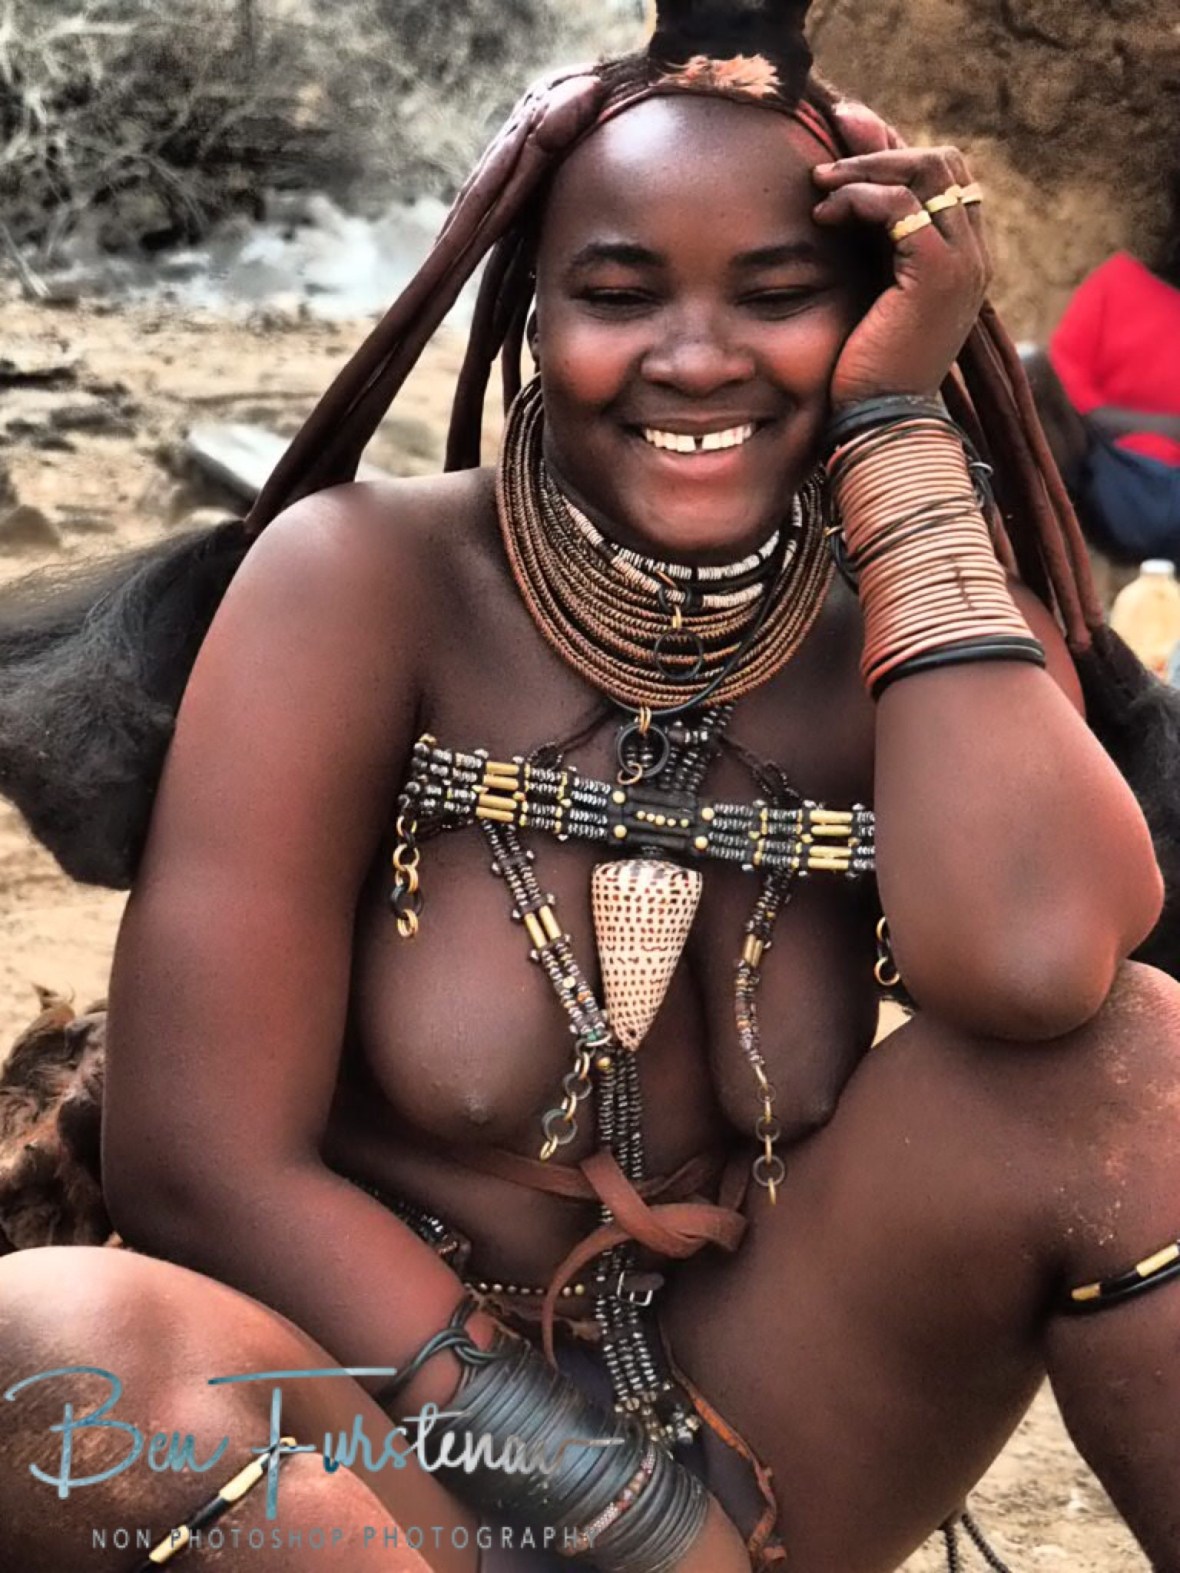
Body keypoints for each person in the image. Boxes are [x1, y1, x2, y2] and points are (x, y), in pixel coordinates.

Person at [3, 3, 1180, 1570]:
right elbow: (202, 1160)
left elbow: (1036, 969)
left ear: (866, 317)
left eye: (780, 297)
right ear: (535, 311)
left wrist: (900, 443)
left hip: (767, 1428)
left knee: (1134, 1069)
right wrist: (617, 1509)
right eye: (619, 295)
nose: (695, 358)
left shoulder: (917, 628)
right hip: (385, 1449)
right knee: (55, 1342)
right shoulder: (363, 584)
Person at [1023, 162, 1180, 563]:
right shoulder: (1117, 284)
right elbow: (1068, 403)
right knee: (1029, 367)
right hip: (1107, 475)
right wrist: (1165, 426)